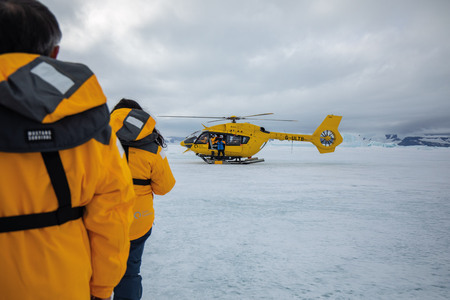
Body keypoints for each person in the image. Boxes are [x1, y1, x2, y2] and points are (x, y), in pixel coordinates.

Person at [0, 1, 135, 299]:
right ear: (53, 55)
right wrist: (101, 287)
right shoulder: (91, 121)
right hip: (62, 283)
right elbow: (112, 211)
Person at [110, 99, 176, 300]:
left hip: (101, 218)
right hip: (138, 220)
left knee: (93, 270)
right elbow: (164, 187)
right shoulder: (154, 149)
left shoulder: (96, 140)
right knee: (129, 272)